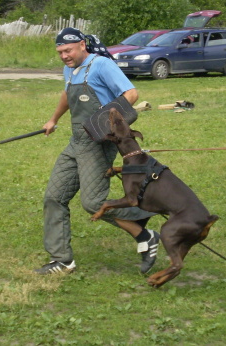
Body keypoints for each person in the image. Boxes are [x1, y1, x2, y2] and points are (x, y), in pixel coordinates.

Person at [34, 28, 160, 275]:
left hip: (98, 143)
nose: (64, 56)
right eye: (60, 52)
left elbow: (131, 94)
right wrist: (53, 119)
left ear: (82, 45)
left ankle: (144, 220)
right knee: (53, 197)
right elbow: (67, 93)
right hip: (76, 142)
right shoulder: (70, 68)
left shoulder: (101, 65)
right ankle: (62, 260)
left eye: (68, 50)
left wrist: (106, 124)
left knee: (93, 202)